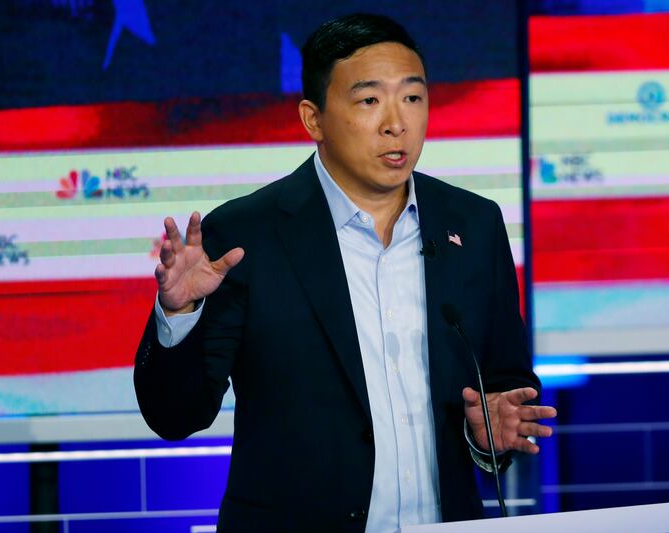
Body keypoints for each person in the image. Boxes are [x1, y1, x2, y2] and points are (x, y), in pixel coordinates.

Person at [134, 13, 556, 533]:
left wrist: (485, 432)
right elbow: (176, 416)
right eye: (369, 101)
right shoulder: (247, 235)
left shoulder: (474, 224)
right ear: (313, 119)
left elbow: (502, 382)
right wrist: (179, 315)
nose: (396, 123)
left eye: (413, 98)